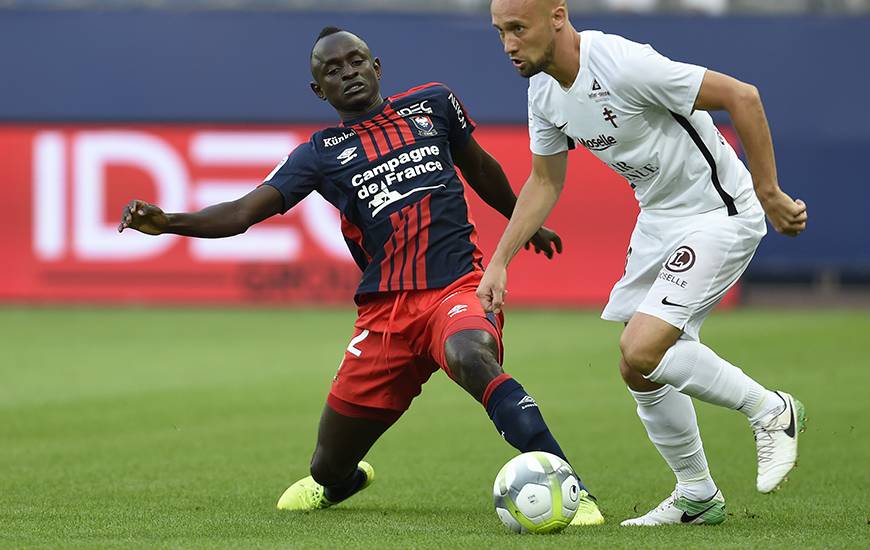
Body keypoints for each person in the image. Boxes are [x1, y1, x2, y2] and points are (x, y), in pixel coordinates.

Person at [118, 27, 604, 525]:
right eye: (332, 69)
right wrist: (169, 222)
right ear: (318, 90)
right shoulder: (319, 154)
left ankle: (573, 489)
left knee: (470, 354)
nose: (347, 71)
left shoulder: (433, 105)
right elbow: (244, 212)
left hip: (457, 287)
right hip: (385, 315)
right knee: (327, 466)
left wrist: (526, 226)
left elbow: (480, 168)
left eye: (356, 61)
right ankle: (342, 482)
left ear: (377, 67)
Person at [481, 0, 808, 526]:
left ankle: (771, 410)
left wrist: (769, 192)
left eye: (518, 29)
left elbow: (741, 96)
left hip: (718, 211)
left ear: (558, 16)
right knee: (637, 367)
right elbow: (545, 180)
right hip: (659, 220)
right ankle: (697, 493)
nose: (508, 45)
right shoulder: (542, 91)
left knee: (643, 345)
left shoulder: (621, 63)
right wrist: (500, 261)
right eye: (499, 32)